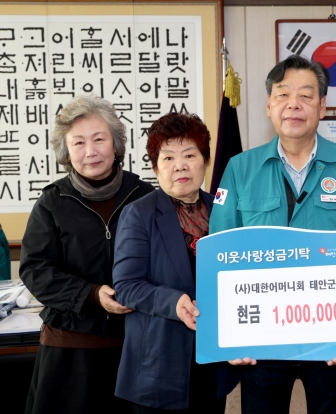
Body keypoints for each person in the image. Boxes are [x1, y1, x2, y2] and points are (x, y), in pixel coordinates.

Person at [209, 54, 336, 413]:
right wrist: (227, 336)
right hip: (261, 337)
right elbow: (219, 255)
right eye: (283, 94)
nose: (294, 104)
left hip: (333, 336)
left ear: (322, 106)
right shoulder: (240, 168)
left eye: (306, 95)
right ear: (269, 105)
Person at [19, 94, 155, 414]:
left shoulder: (144, 196)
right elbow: (35, 269)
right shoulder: (52, 202)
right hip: (69, 348)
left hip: (135, 344)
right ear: (66, 151)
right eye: (78, 143)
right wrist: (92, 295)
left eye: (99, 139)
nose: (90, 151)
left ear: (116, 143)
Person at [112, 112, 233, 413]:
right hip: (159, 361)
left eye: (190, 155)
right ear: (155, 167)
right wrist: (174, 302)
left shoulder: (223, 210)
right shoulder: (139, 214)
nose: (180, 165)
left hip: (214, 356)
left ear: (205, 160)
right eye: (168, 158)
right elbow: (126, 286)